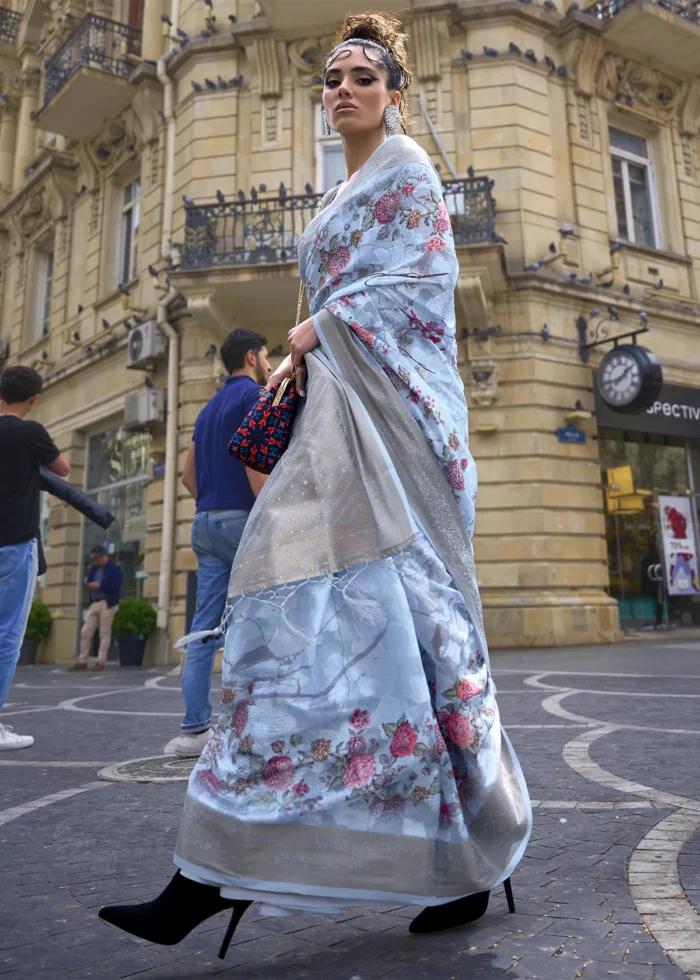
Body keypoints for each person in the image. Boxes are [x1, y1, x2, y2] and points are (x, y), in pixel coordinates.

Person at [100, 12, 531, 952]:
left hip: (399, 434)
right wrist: (319, 338)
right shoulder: (342, 190)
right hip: (340, 424)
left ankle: (464, 855)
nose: (343, 89)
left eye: (362, 78)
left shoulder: (410, 170)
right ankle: (215, 866)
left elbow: (420, 291)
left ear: (394, 94)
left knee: (414, 641)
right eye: (331, 78)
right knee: (286, 630)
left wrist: (315, 332)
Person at [163, 329, 271, 757]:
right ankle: (259, 722)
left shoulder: (206, 410)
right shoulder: (253, 398)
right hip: (241, 519)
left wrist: (214, 507)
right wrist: (269, 514)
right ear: (250, 357)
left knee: (203, 631)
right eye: (265, 356)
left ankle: (194, 730)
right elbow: (253, 458)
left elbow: (188, 477)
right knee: (263, 619)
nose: (268, 363)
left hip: (204, 521)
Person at [0, 366, 70, 750]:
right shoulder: (30, 433)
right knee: (8, 635)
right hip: (15, 544)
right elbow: (63, 467)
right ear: (34, 399)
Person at [70, 546, 123, 671]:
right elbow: (89, 580)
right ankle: (82, 660)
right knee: (85, 632)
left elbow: (116, 586)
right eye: (95, 559)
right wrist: (90, 585)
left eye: (98, 559)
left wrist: (100, 585)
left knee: (104, 632)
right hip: (95, 601)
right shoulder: (94, 568)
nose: (96, 562)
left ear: (105, 556)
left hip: (107, 602)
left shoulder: (114, 568)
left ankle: (101, 660)